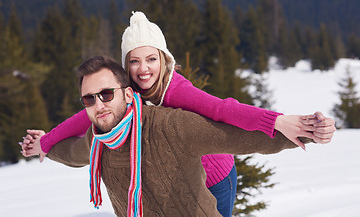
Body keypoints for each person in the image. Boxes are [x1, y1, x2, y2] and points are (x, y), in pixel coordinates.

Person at [22, 12, 335, 217]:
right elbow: (85, 118)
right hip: (175, 171)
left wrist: (277, 121)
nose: (143, 69)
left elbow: (222, 110)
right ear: (126, 66)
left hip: (215, 174)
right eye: (134, 61)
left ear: (164, 59)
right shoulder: (123, 95)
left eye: (150, 59)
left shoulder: (175, 90)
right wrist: (46, 141)